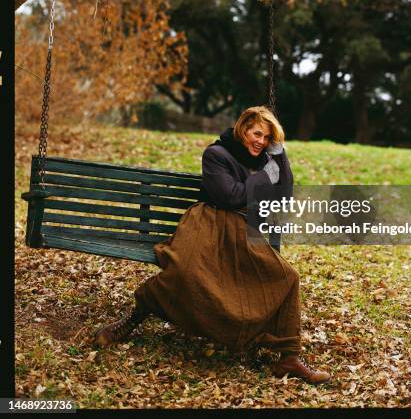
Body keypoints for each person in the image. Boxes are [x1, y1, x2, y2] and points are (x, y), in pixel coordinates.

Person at [94, 106, 331, 384]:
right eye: (257, 133)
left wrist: (280, 154)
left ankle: (289, 356)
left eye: (267, 138)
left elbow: (285, 193)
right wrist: (265, 176)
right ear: (243, 128)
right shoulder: (216, 154)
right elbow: (229, 197)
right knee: (187, 273)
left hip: (242, 229)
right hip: (208, 224)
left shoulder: (265, 158)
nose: (261, 141)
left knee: (287, 277)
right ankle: (141, 311)